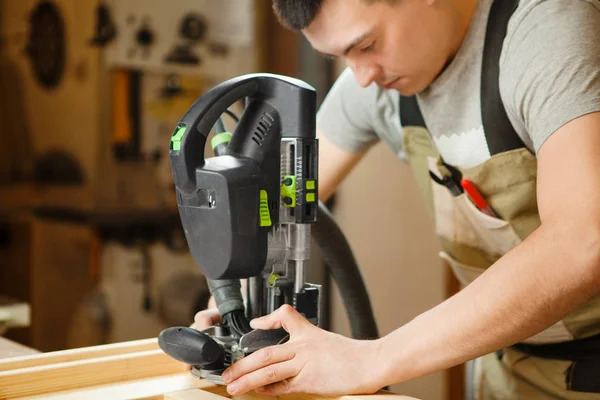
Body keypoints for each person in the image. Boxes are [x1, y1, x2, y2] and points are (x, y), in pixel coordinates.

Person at [190, 0, 600, 398]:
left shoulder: (546, 34)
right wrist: (235, 301)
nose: (362, 76)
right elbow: (279, 199)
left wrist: (371, 359)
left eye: (366, 45)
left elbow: (583, 239)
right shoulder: (374, 82)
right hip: (510, 367)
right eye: (341, 56)